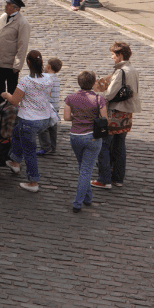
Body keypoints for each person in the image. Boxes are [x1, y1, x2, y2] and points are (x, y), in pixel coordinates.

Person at [1, 49, 55, 193]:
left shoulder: (26, 81)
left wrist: (6, 94)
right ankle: (15, 161)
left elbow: (14, 101)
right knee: (18, 132)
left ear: (28, 63)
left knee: (30, 151)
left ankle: (33, 181)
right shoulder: (49, 79)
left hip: (29, 120)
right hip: (44, 118)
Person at [93, 41, 141, 190]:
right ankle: (118, 178)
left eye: (113, 55)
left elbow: (109, 94)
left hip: (114, 114)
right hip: (127, 114)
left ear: (120, 55)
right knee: (119, 146)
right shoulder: (132, 69)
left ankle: (104, 179)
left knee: (104, 145)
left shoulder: (121, 72)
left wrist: (99, 93)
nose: (112, 57)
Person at [64, 71, 108, 213]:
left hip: (75, 136)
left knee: (83, 168)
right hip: (92, 137)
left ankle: (88, 198)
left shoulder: (70, 98)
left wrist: (77, 118)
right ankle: (78, 203)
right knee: (86, 170)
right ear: (93, 82)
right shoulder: (98, 99)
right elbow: (105, 120)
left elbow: (66, 117)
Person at [0, 0, 29, 106]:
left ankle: (10, 111)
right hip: (0, 60)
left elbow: (23, 45)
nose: (5, 6)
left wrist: (17, 65)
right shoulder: (3, 16)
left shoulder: (22, 23)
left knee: (11, 89)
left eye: (8, 4)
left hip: (11, 63)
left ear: (16, 8)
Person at [38, 56, 63, 156]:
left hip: (47, 106)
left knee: (43, 127)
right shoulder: (56, 78)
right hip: (55, 106)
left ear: (48, 66)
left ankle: (45, 147)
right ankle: (52, 146)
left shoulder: (45, 77)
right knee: (53, 126)